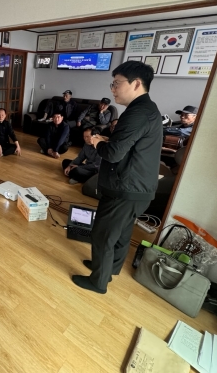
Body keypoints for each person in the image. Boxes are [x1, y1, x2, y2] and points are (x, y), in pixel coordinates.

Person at [71, 60, 162, 295]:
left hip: (126, 187)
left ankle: (98, 282)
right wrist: (108, 141)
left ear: (136, 83)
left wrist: (98, 142)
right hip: (136, 187)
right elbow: (126, 147)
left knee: (103, 234)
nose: (113, 89)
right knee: (120, 233)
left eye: (117, 83)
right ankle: (108, 268)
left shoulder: (138, 112)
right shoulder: (146, 109)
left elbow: (113, 153)